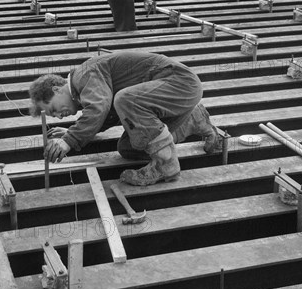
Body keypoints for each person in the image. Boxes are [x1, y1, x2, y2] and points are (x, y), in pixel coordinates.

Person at [28, 51, 222, 187]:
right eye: (55, 116)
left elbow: (100, 107)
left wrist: (70, 140)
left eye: (54, 108)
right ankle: (193, 119)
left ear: (57, 89)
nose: (59, 115)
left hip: (180, 83)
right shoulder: (85, 89)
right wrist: (71, 133)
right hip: (175, 98)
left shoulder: (84, 75)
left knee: (125, 99)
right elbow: (107, 114)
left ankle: (165, 165)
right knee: (128, 147)